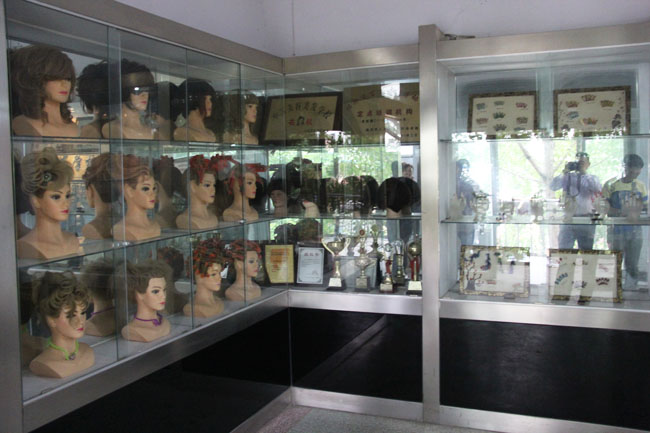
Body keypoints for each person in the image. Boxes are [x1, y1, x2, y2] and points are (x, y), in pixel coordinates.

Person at [602, 154, 648, 290]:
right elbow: (604, 207)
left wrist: (638, 210)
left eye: (638, 170)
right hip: (616, 230)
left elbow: (645, 206)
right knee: (615, 260)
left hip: (635, 230)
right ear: (625, 167)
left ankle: (631, 289)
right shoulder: (612, 185)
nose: (635, 173)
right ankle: (612, 289)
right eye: (632, 169)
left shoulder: (641, 186)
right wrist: (620, 212)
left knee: (633, 263)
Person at [550, 152, 601, 250]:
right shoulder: (567, 177)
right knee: (564, 252)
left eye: (582, 162)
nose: (579, 165)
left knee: (586, 253)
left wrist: (584, 173)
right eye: (577, 163)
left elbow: (597, 189)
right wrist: (564, 172)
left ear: (588, 164)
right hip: (568, 219)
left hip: (586, 219)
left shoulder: (592, 178)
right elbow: (553, 186)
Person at [455, 159, 480, 246]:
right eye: (457, 169)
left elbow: (473, 204)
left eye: (460, 169)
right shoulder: (448, 185)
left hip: (467, 223)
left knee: (466, 248)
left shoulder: (468, 186)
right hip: (455, 222)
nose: (459, 172)